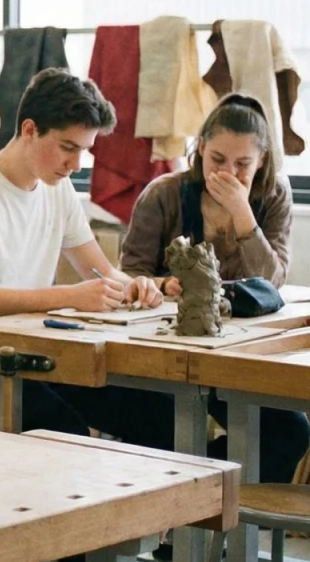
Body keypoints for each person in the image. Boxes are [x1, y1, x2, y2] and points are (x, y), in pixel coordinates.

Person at [0, 67, 168, 562]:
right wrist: (67, 296)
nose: (75, 164)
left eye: (84, 152)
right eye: (67, 148)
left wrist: (139, 287)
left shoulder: (57, 192)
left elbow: (100, 270)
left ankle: (134, 542)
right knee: (60, 431)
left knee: (147, 409)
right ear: (28, 129)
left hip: (35, 354)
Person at [121, 93, 309, 484]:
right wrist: (161, 284)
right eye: (218, 160)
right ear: (201, 148)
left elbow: (273, 281)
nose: (229, 173)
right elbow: (130, 274)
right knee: (158, 426)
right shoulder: (164, 194)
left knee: (289, 434)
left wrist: (242, 213)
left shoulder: (273, 195)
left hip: (239, 351)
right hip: (168, 347)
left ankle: (204, 503)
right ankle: (181, 511)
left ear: (261, 162)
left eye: (243, 165)